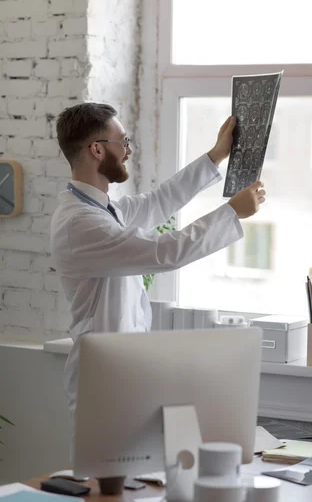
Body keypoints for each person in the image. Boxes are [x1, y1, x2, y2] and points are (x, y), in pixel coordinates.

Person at [50, 102, 266, 415]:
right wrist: (231, 212)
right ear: (96, 149)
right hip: (103, 381)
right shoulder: (81, 224)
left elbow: (160, 201)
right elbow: (165, 252)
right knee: (109, 465)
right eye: (122, 141)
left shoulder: (106, 211)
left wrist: (217, 154)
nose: (128, 150)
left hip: (126, 370)